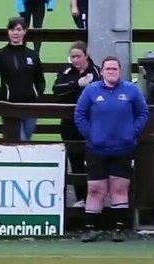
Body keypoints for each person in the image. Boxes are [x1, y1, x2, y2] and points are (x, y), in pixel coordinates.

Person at [74, 56, 150, 241]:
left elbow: (143, 113)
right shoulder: (91, 91)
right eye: (108, 69)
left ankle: (119, 228)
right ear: (102, 71)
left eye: (114, 69)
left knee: (119, 188)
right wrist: (90, 134)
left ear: (120, 71)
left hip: (123, 148)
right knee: (95, 189)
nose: (111, 72)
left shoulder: (131, 90)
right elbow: (80, 114)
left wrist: (132, 132)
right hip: (97, 148)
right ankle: (90, 228)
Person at [52, 41, 97, 206]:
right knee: (75, 158)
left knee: (92, 160)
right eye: (72, 57)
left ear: (86, 55)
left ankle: (94, 197)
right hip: (69, 123)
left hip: (92, 123)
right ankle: (80, 198)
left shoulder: (96, 72)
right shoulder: (66, 71)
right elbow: (57, 89)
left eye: (78, 56)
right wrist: (75, 84)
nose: (75, 60)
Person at [0, 17, 44, 141]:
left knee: (26, 140)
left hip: (30, 106)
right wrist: (2, 95)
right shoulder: (0, 55)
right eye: (12, 29)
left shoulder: (32, 55)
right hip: (9, 107)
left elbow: (40, 79)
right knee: (19, 140)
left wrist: (37, 94)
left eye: (18, 29)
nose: (15, 33)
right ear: (8, 32)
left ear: (25, 31)